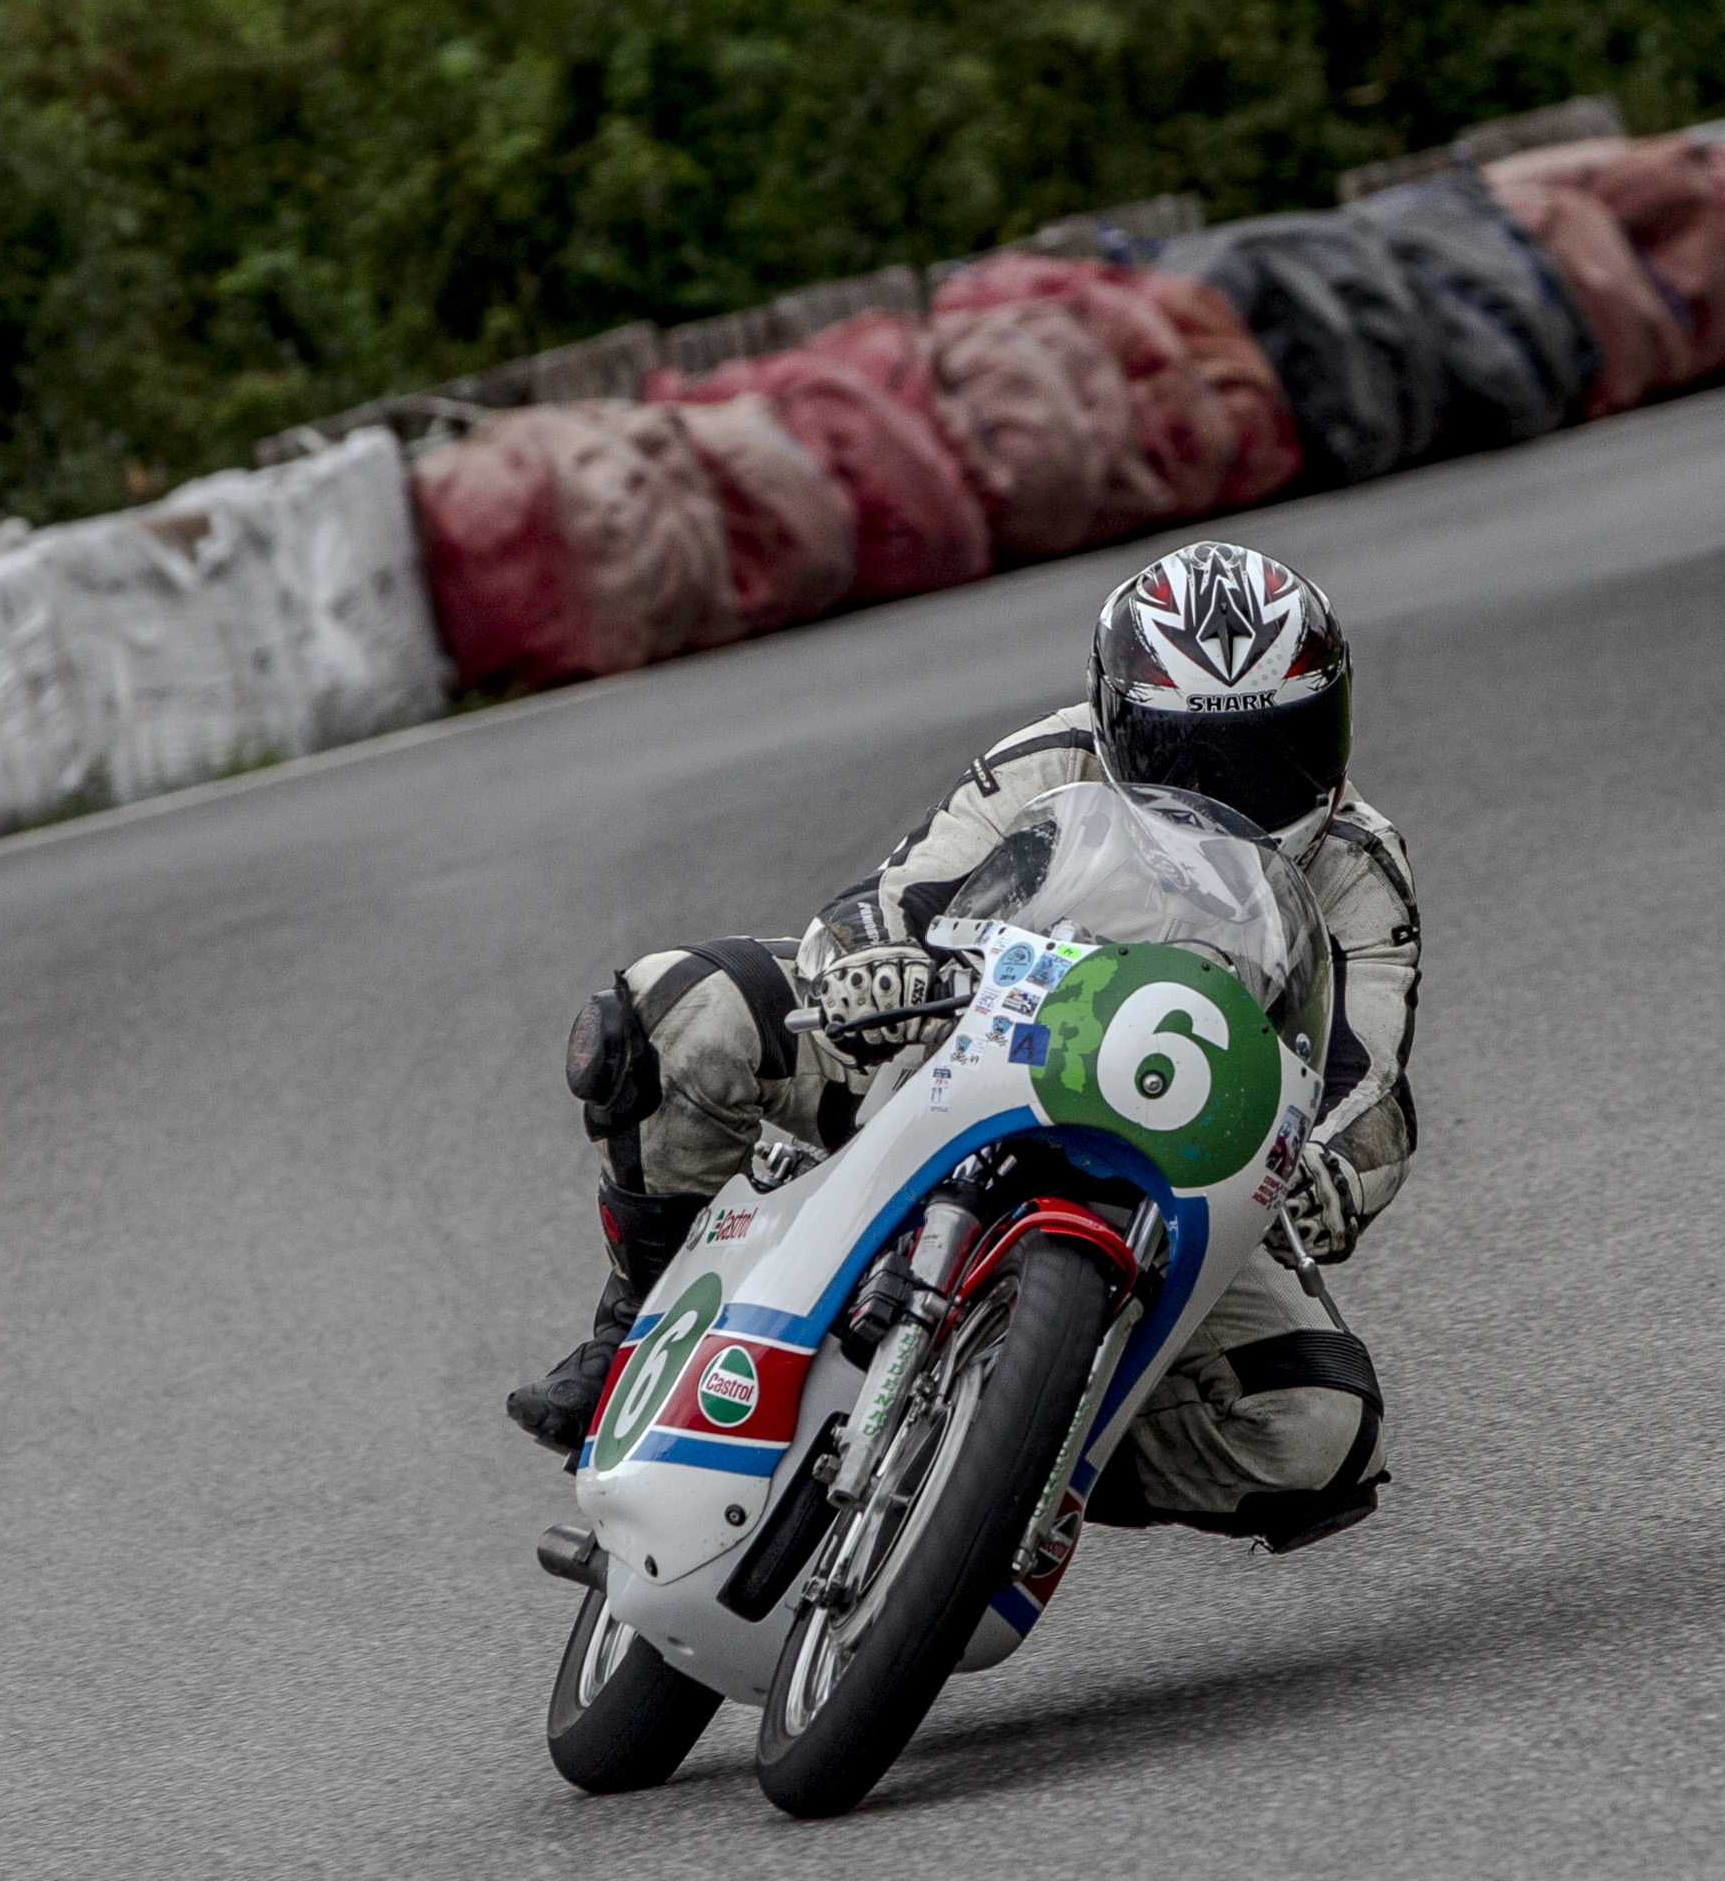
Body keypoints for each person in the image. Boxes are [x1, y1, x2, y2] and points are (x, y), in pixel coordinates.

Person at [506, 540, 1419, 1552]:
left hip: (1177, 1175)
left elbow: (1366, 1083)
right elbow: (890, 899)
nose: (1232, 797)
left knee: (1318, 1426)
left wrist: (1330, 1171)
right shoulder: (1051, 759)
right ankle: (631, 1329)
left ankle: (1018, 1443)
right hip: (955, 1058)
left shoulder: (1358, 867)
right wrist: (878, 964)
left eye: (1275, 751)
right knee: (678, 1010)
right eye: (1188, 758)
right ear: (1116, 721)